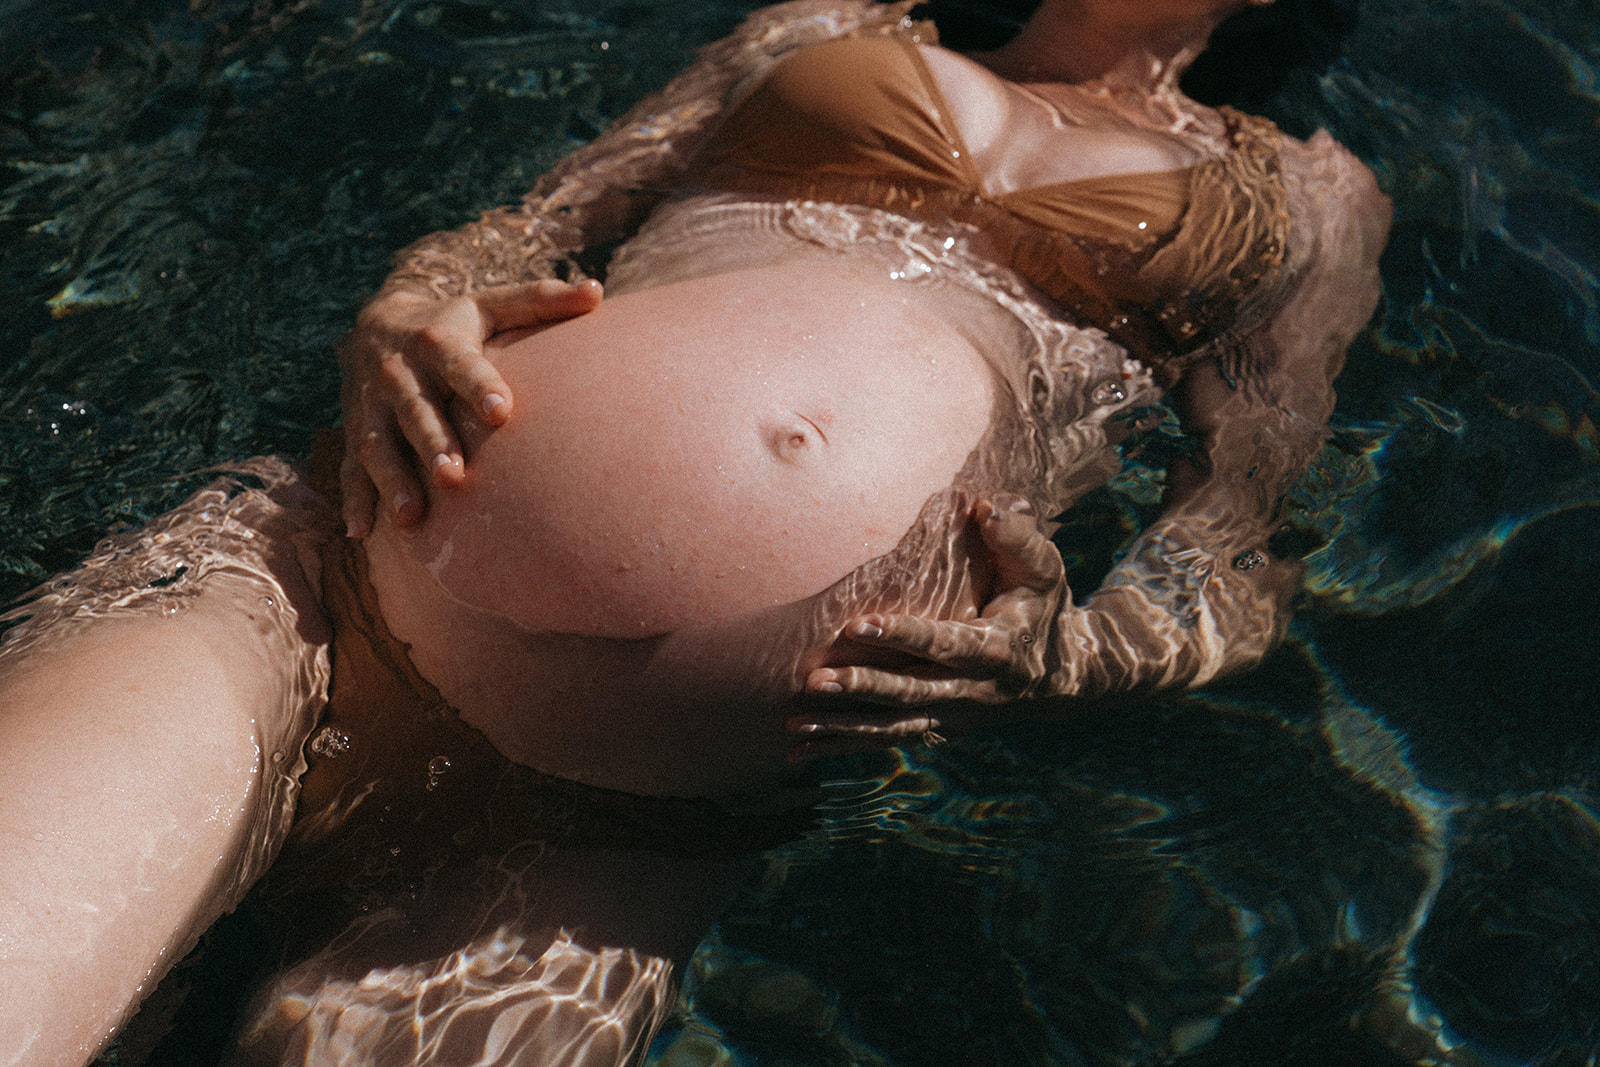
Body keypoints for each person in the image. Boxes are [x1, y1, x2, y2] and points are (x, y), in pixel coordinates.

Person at [0, 0, 1389, 1064]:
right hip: (307, 579)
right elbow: (528, 227)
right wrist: (413, 297)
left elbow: (1242, 537)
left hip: (612, 845)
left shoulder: (1308, 199)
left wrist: (1076, 657)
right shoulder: (830, 23)